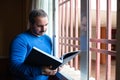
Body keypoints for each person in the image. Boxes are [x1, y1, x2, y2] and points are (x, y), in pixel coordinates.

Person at [9, 9, 58, 80]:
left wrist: (56, 66)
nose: (44, 29)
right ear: (31, 24)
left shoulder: (48, 39)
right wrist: (40, 70)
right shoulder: (20, 40)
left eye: (46, 25)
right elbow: (14, 67)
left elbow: (48, 60)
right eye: (39, 26)